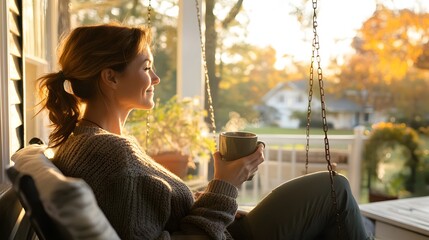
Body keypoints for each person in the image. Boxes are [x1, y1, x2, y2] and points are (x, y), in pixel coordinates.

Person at [37, 22, 370, 240]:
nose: (155, 79)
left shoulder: (99, 143)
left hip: (226, 227)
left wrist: (211, 196)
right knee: (334, 189)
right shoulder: (110, 153)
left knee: (336, 200)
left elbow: (156, 213)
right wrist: (226, 185)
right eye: (147, 67)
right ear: (110, 77)